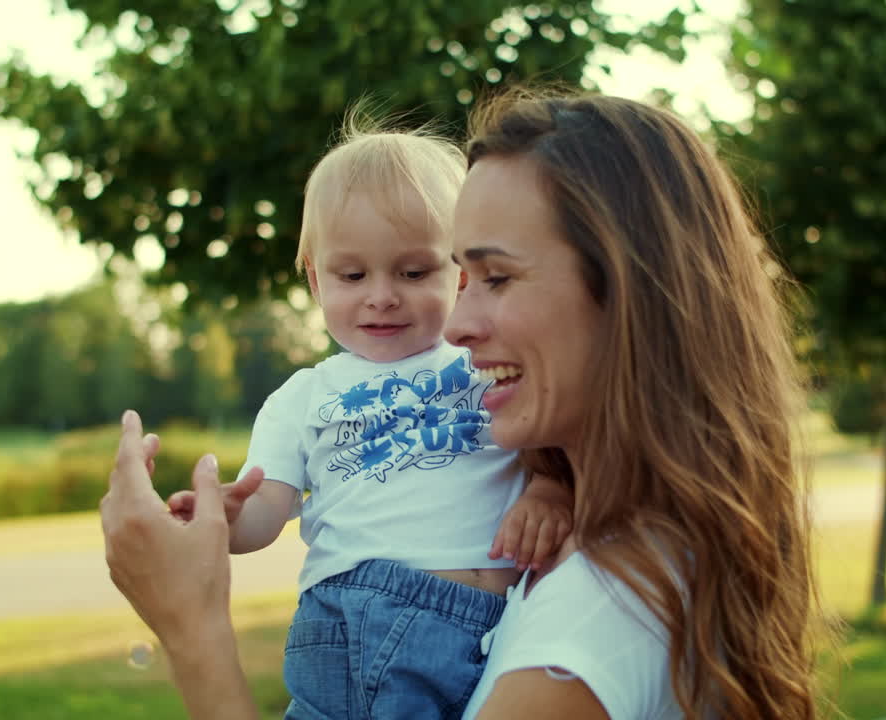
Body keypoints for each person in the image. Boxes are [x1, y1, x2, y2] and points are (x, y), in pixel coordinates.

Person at [102, 89, 822, 720]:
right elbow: (270, 500)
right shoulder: (623, 562)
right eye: (464, 275)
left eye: (495, 277)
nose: (454, 325)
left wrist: (194, 632)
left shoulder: (594, 629)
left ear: (627, 292)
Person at [155, 112, 574, 719]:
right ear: (315, 279)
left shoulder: (486, 360)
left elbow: (552, 438)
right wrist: (224, 519)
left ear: (463, 270)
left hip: (494, 626)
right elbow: (269, 510)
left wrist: (549, 488)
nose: (381, 295)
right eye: (352, 275)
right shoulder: (304, 396)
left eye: (413, 271)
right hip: (359, 615)